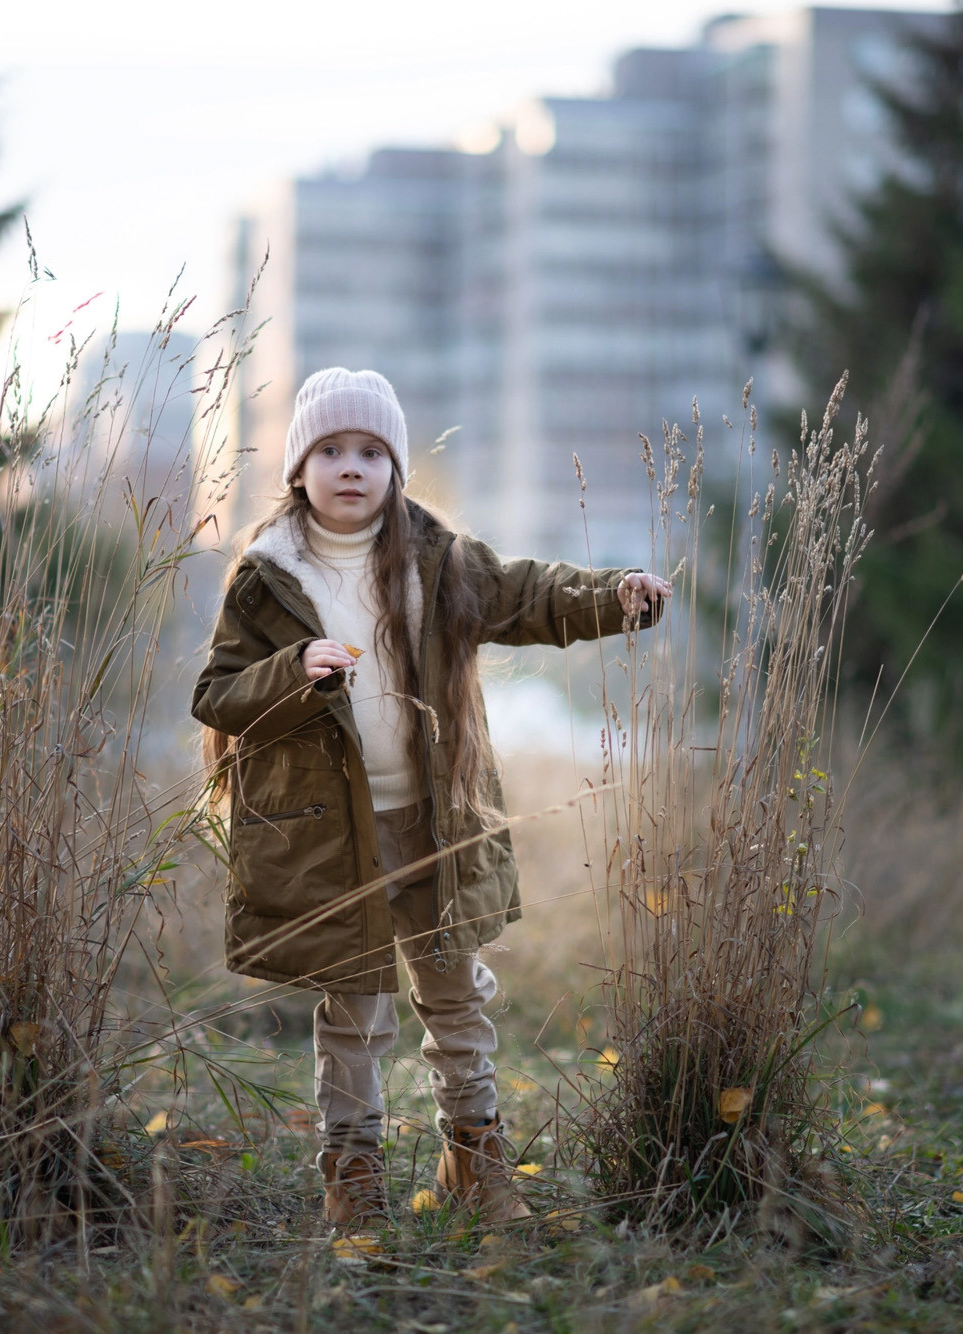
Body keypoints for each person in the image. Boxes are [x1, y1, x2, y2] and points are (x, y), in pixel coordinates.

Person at [193, 367, 670, 1229]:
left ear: (395, 469)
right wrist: (291, 671)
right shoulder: (266, 579)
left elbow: (530, 593)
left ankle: (474, 1160)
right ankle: (354, 1176)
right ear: (299, 468)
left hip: (434, 823)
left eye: (371, 452)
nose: (351, 466)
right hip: (329, 839)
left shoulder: (438, 560)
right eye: (330, 450)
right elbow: (216, 695)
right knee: (353, 1012)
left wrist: (615, 596)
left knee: (456, 994)